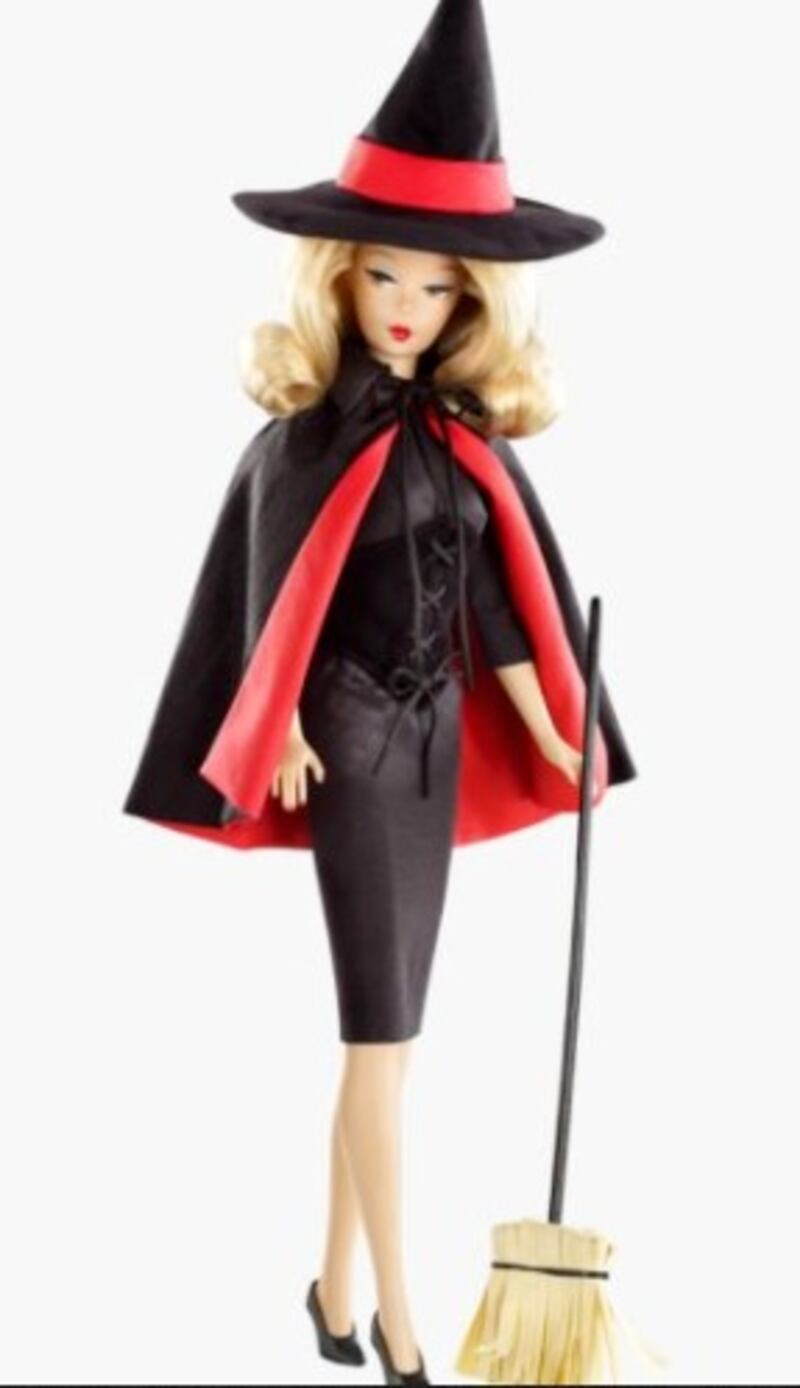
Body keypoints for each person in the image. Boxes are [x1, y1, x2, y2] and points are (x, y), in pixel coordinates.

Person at [122, 1, 637, 1381]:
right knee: (379, 1031)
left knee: (393, 1027)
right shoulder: (303, 440)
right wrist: (280, 719)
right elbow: (269, 603)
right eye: (384, 279)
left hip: (434, 740)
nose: (407, 307)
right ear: (340, 279)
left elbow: (502, 612)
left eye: (438, 288)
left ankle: (332, 1286)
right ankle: (401, 1315)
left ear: (472, 302)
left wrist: (559, 729)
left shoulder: (462, 442)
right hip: (347, 737)